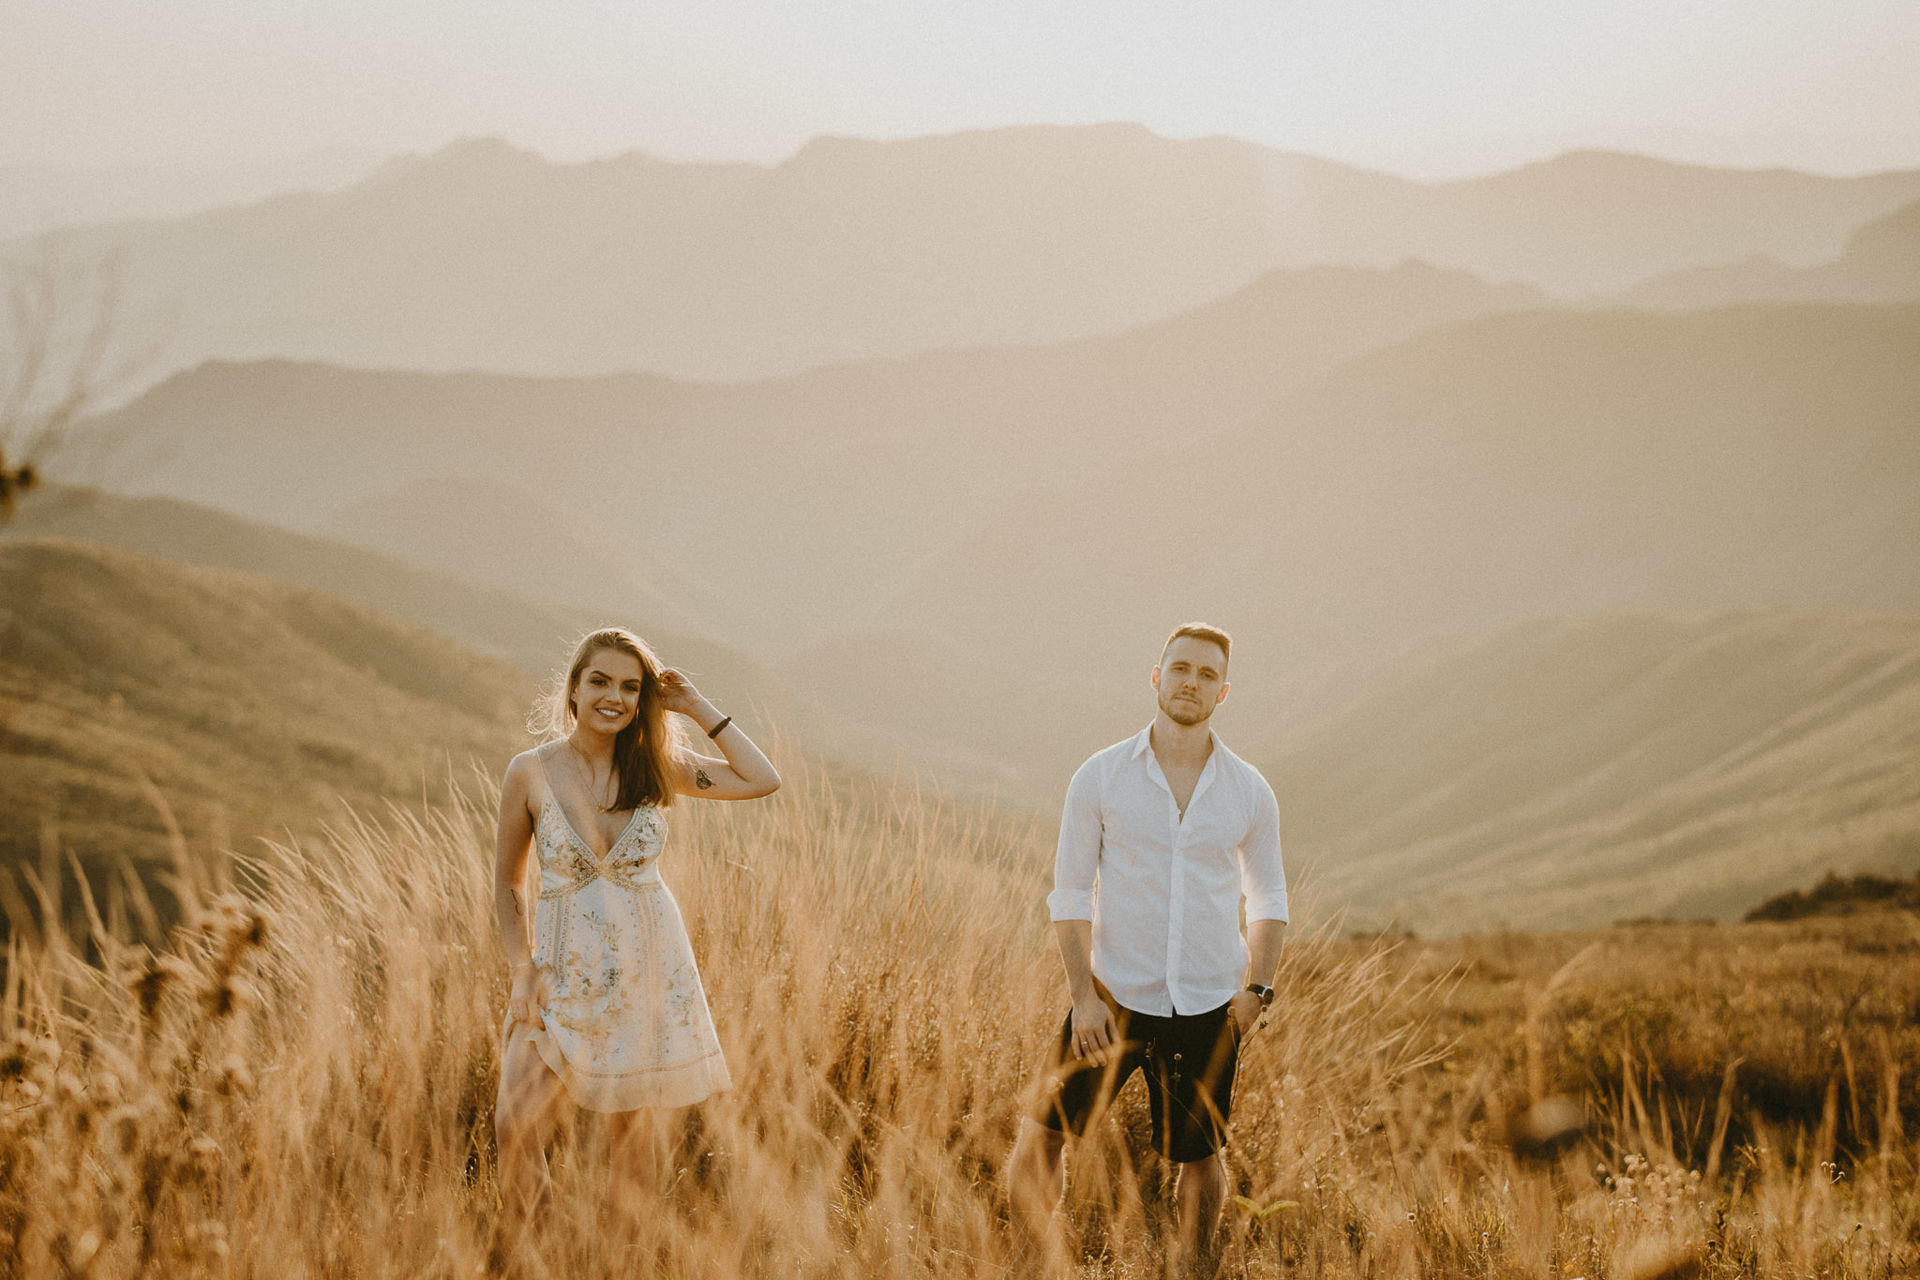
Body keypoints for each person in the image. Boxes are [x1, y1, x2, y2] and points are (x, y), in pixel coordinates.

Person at [1008, 622, 1287, 1269]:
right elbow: (1070, 895)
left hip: (1206, 1007)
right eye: (1181, 668)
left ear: (1223, 692)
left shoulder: (1248, 789)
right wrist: (1082, 998)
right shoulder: (1101, 777)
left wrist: (1257, 993)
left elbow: (1268, 897)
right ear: (1157, 677)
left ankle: (1193, 1273)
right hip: (1109, 1001)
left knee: (1199, 1160)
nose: (1192, 681)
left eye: (1207, 674)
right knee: (1040, 1140)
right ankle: (1027, 1266)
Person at [493, 627, 780, 1224]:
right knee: (515, 1127)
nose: (613, 697)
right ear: (573, 688)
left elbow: (761, 779)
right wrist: (522, 971)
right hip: (558, 974)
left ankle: (611, 1262)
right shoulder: (530, 772)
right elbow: (508, 884)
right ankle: (534, 1257)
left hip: (646, 976)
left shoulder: (658, 768)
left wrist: (694, 705)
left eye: (630, 687)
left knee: (630, 1156)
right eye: (599, 681)